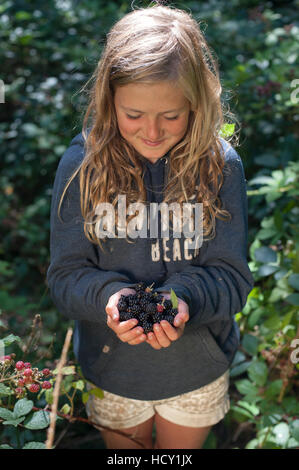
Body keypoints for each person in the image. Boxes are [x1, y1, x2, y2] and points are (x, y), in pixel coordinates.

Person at [46, 3, 254, 449]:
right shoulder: (83, 165)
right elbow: (65, 277)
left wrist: (185, 300)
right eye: (134, 115)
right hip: (112, 368)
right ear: (109, 99)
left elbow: (233, 279)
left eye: (172, 116)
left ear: (197, 103)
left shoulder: (221, 167)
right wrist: (110, 296)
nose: (153, 132)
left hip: (195, 370)